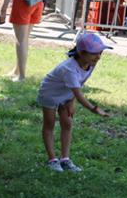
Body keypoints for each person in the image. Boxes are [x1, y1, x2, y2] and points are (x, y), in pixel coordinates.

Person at [38, 33, 111, 173]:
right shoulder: (69, 69)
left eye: (100, 53)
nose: (98, 57)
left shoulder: (90, 64)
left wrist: (70, 102)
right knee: (50, 123)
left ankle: (65, 159)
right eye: (94, 53)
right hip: (50, 93)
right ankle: (52, 160)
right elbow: (79, 93)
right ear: (81, 53)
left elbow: (78, 85)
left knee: (67, 123)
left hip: (66, 93)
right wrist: (93, 109)